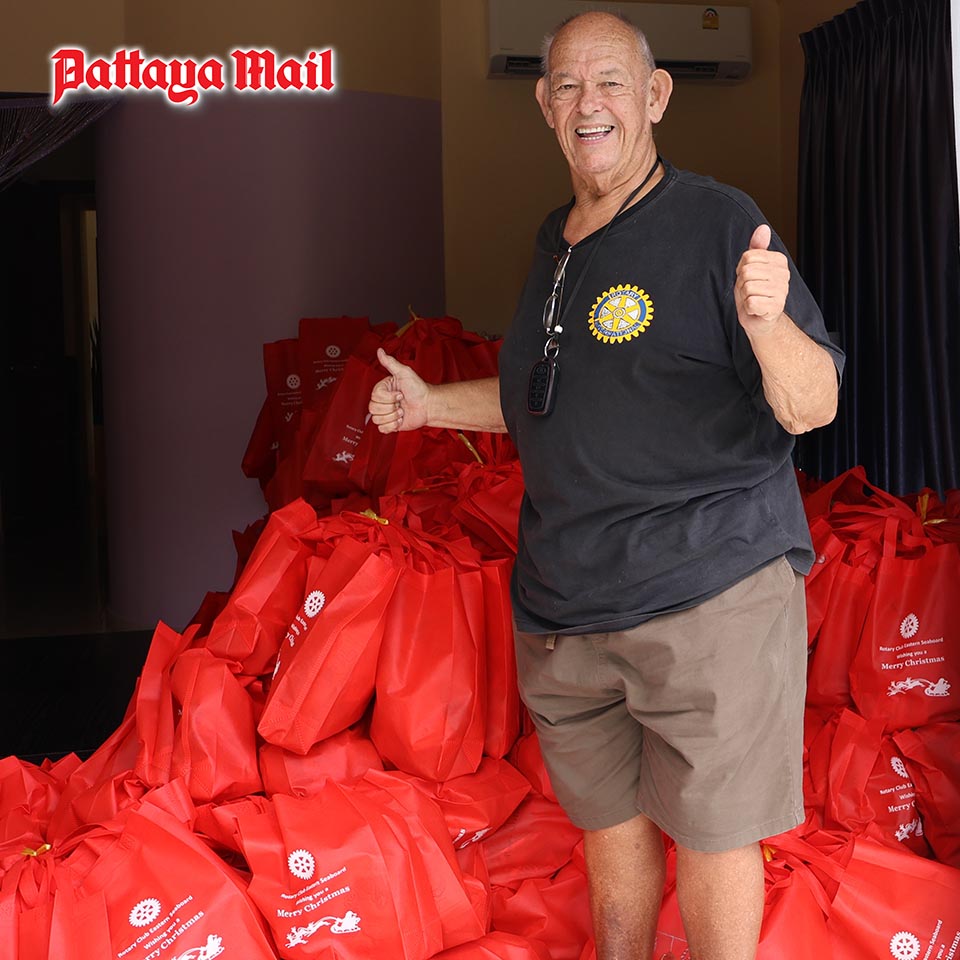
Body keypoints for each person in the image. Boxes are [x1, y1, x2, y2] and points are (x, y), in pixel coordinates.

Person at [369, 11, 843, 960]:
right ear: (545, 106)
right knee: (609, 824)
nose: (591, 103)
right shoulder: (556, 241)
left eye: (612, 82)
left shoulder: (717, 222)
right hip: (567, 606)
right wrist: (429, 406)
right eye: (569, 86)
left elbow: (813, 403)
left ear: (655, 96)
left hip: (706, 594)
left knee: (713, 832)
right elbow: (543, 397)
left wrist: (768, 324)